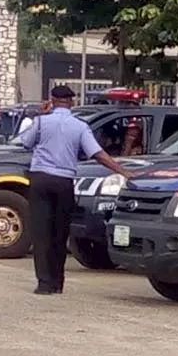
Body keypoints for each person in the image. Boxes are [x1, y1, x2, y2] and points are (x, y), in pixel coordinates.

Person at [21, 85, 131, 295]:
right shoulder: (80, 126)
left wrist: (39, 115)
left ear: (51, 100)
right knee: (60, 232)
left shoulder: (41, 122)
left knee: (41, 232)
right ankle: (57, 282)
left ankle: (44, 283)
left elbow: (25, 142)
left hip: (41, 179)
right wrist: (122, 170)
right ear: (72, 102)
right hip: (64, 181)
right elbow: (97, 153)